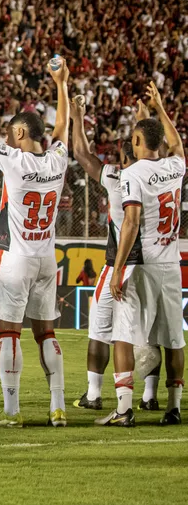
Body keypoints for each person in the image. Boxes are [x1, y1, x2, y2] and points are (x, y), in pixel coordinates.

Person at [0, 58, 70, 429]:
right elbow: (61, 128)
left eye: (11, 131)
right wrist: (61, 85)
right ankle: (57, 407)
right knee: (47, 332)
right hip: (46, 257)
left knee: (9, 332)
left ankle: (12, 412)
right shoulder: (57, 161)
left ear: (19, 135)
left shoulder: (13, 159)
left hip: (14, 257)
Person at [100, 82, 185, 428]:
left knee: (123, 333)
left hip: (145, 262)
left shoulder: (133, 173)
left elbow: (131, 221)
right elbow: (176, 143)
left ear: (136, 142)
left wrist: (118, 269)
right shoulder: (175, 166)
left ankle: (124, 409)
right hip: (172, 262)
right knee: (173, 339)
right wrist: (159, 109)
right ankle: (174, 407)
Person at [70, 97, 143, 411]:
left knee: (103, 330)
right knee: (154, 335)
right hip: (154, 264)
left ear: (123, 157)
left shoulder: (117, 177)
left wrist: (77, 116)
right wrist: (146, 118)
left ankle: (95, 395)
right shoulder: (161, 176)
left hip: (121, 264)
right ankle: (152, 396)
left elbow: (81, 154)